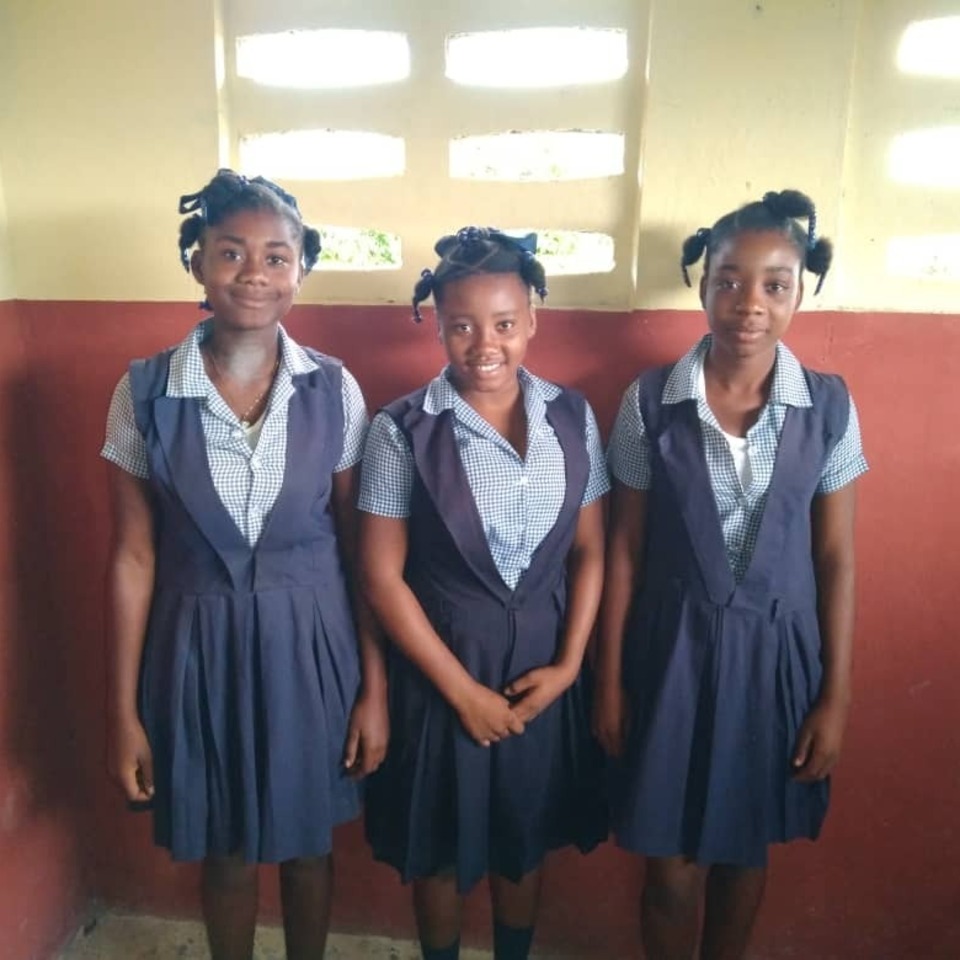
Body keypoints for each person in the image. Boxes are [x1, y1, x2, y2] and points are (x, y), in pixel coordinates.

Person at [101, 168, 388, 960]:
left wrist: (373, 685)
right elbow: (131, 553)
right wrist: (123, 710)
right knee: (224, 847)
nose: (254, 274)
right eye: (230, 253)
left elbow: (361, 546)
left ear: (301, 269)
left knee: (307, 847)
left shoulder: (335, 391)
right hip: (195, 650)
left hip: (312, 646)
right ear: (196, 261)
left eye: (275, 256)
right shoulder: (143, 394)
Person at [595, 190, 868, 960]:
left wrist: (835, 696)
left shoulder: (829, 407)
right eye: (729, 279)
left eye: (775, 283)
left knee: (745, 854)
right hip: (669, 658)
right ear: (702, 282)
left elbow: (836, 558)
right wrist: (610, 678)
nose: (750, 302)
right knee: (669, 874)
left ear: (801, 290)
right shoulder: (649, 402)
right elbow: (624, 550)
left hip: (776, 661)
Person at [358, 227, 608, 960]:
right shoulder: (401, 429)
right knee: (437, 843)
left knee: (522, 839)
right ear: (436, 325)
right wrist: (460, 692)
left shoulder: (572, 416)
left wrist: (568, 667)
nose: (484, 344)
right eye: (461, 326)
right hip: (442, 663)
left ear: (533, 318)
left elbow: (592, 551)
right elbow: (379, 575)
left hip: (541, 664)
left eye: (503, 323)